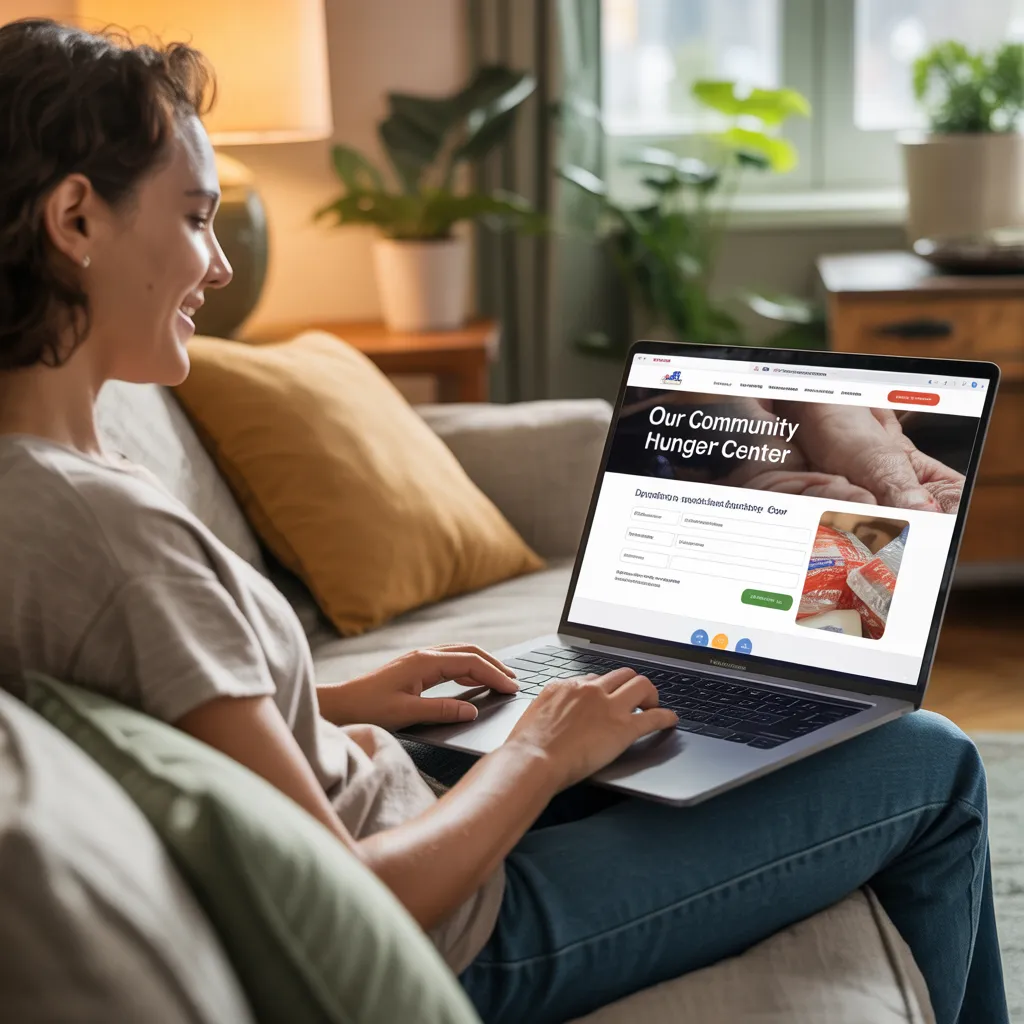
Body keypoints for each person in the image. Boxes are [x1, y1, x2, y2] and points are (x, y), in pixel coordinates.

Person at [0, 19, 1007, 1024]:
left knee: (696, 719)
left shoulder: (47, 483)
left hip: (409, 798)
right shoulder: (107, 531)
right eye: (194, 219)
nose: (219, 266)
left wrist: (338, 699)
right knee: (928, 759)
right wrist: (536, 754)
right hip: (466, 934)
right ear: (76, 219)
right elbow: (355, 897)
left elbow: (175, 705)